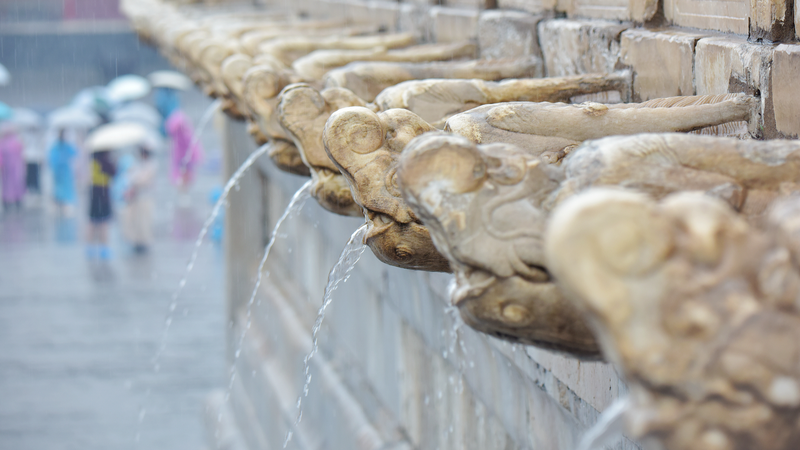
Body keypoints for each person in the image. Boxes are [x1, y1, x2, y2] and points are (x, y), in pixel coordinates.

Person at [120, 146, 157, 253]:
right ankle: (136, 241)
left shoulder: (151, 165)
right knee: (136, 221)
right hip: (137, 198)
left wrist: (134, 180)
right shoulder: (138, 165)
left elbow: (142, 180)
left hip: (145, 197)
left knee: (144, 221)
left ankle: (144, 242)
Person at [165, 109, 203, 195]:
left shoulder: (182, 136)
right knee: (183, 179)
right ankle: (183, 193)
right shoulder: (181, 136)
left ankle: (184, 192)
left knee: (184, 179)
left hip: (185, 160)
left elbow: (193, 147)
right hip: (183, 160)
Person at [87, 149, 116, 259]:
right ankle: (104, 248)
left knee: (92, 221)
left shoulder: (93, 161)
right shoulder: (105, 161)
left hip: (94, 192)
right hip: (103, 194)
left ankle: (90, 247)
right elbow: (114, 172)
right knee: (104, 222)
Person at [47, 129, 78, 215]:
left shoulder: (64, 146)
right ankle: (59, 203)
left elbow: (74, 153)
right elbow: (52, 158)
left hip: (64, 171)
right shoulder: (56, 147)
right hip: (59, 171)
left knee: (64, 187)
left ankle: (63, 203)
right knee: (60, 188)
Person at [0, 122, 26, 211]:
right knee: (11, 184)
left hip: (12, 167)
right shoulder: (8, 142)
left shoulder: (13, 142)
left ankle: (14, 200)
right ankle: (11, 201)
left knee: (14, 184)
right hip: (9, 167)